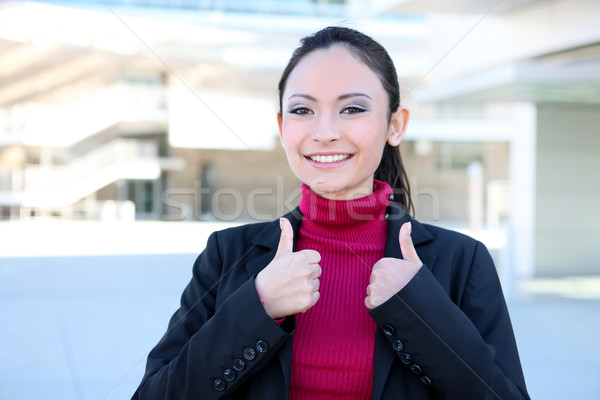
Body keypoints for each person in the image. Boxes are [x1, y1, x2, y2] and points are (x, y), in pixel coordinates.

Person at [132, 26, 530, 400]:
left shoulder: (461, 262)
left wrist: (424, 314)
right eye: (302, 111)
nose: (324, 132)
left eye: (352, 109)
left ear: (395, 125)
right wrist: (257, 307)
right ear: (282, 126)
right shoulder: (227, 254)